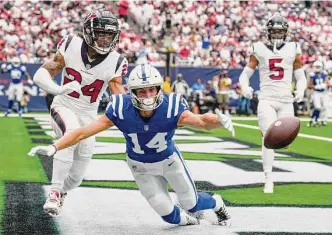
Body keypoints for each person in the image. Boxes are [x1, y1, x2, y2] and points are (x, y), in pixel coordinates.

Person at [29, 64, 234, 226]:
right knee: (169, 216)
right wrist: (56, 146)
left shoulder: (171, 106)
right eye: (141, 92)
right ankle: (189, 221)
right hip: (139, 166)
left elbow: (200, 121)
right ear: (131, 92)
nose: (147, 97)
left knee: (192, 203)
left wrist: (218, 120)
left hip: (169, 161)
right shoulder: (121, 107)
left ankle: (217, 202)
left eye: (151, 90)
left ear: (159, 89)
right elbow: (82, 132)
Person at [32, 9, 128, 217]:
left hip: (88, 115)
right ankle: (55, 191)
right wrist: (58, 89)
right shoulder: (70, 44)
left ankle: (63, 191)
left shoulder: (116, 61)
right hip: (64, 105)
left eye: (110, 35)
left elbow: (120, 98)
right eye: (101, 33)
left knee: (77, 176)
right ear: (88, 32)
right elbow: (41, 74)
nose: (105, 39)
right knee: (71, 135)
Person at [239, 13, 307, 193]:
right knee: (267, 139)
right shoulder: (259, 48)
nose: (277, 34)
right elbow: (245, 74)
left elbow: (301, 76)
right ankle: (268, 178)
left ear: (285, 32)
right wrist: (245, 87)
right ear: (268, 32)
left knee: (285, 140)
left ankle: (273, 173)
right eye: (274, 30)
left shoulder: (293, 48)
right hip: (267, 99)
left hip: (286, 101)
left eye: (280, 30)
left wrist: (301, 89)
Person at [307, 61, 328, 127]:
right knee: (317, 107)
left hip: (324, 92)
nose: (318, 68)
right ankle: (313, 120)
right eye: (316, 67)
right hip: (316, 93)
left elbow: (327, 82)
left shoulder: (324, 74)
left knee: (324, 106)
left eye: (319, 67)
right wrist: (315, 86)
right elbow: (309, 85)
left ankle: (323, 120)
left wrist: (325, 85)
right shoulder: (312, 75)